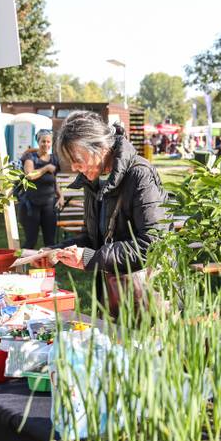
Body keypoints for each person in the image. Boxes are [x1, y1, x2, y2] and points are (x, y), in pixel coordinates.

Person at [34, 111, 167, 310]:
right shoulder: (92, 179)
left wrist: (91, 258)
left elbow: (153, 245)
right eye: (70, 161)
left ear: (101, 147)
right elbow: (92, 238)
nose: (74, 167)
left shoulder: (139, 175)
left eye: (78, 158)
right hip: (114, 295)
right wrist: (58, 251)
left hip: (149, 297)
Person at [18, 129, 64, 249]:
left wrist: (61, 196)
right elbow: (29, 175)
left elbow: (53, 180)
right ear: (38, 142)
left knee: (50, 242)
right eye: (43, 141)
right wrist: (46, 168)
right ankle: (22, 264)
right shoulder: (30, 157)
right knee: (31, 241)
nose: (46, 144)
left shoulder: (54, 158)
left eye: (48, 142)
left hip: (49, 205)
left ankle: (49, 266)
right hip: (31, 205)